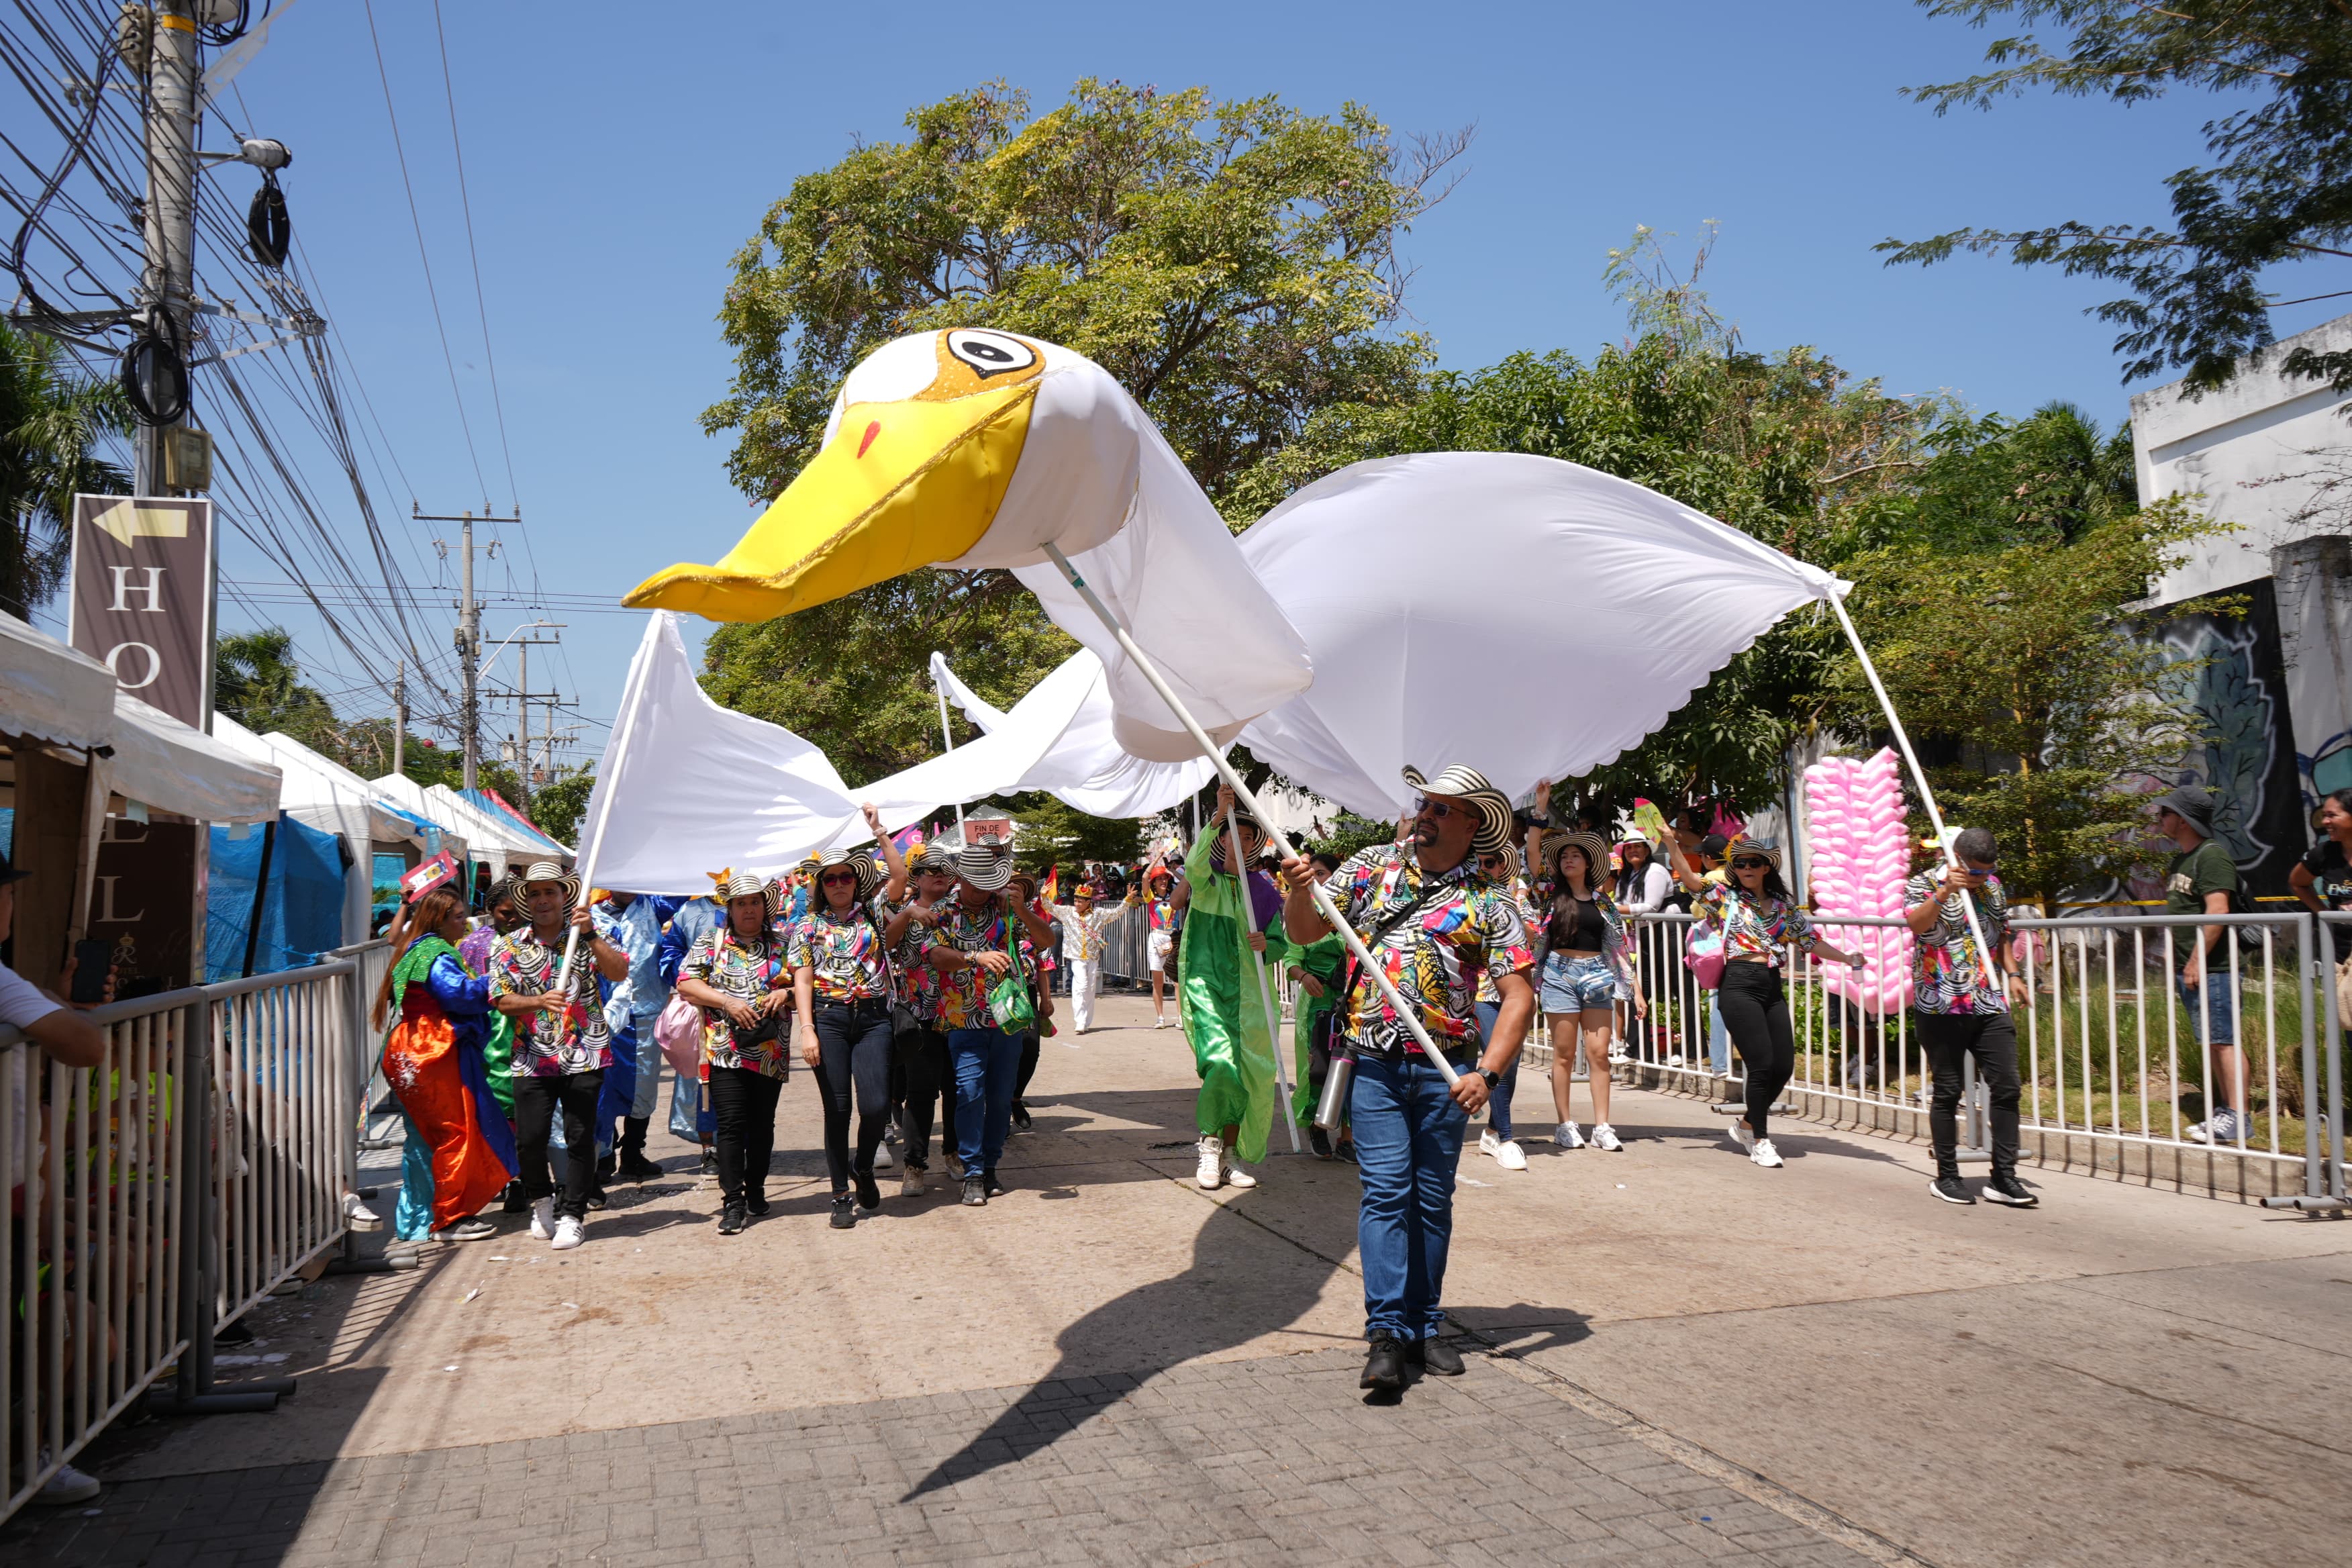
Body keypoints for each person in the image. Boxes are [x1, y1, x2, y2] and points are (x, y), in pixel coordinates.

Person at [1280, 765, 1534, 1392]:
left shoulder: (1490, 901)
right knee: (1387, 1194)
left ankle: (1424, 1323)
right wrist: (1296, 891)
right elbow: (1306, 931)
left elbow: (1518, 996)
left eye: (1444, 808)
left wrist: (1489, 1073)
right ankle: (1388, 1332)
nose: (1427, 813)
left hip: (1446, 1073)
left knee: (1431, 1201)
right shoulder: (1372, 866)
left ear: (1474, 823)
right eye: (1426, 802)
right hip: (1373, 1064)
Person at [0, 851, 113, 1507]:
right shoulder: (5, 983)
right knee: (51, 1327)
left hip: (22, 1193)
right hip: (12, 1198)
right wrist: (52, 1005)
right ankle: (33, 1461)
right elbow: (87, 1045)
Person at [1665, 834, 1866, 1169]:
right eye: (1740, 863)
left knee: (1783, 1066)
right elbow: (1690, 879)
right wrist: (1672, 845)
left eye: (1753, 863)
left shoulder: (1784, 908)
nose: (1746, 868)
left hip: (1771, 986)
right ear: (1733, 869)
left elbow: (1811, 941)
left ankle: (1745, 1124)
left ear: (1766, 867)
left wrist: (1847, 958)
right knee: (1760, 1065)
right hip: (1739, 985)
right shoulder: (1724, 898)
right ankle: (1760, 1139)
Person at [487, 861, 628, 1251]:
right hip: (532, 1056)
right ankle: (542, 1201)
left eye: (551, 892)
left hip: (585, 1051)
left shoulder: (586, 936)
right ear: (526, 901)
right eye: (535, 893)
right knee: (529, 1139)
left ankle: (573, 1214)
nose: (543, 900)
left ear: (565, 896)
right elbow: (500, 998)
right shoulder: (508, 943)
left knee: (580, 1137)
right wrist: (537, 1000)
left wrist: (591, 934)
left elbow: (617, 973)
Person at [376, 885, 518, 1243]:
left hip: (410, 1050)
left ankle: (417, 1221)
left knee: (423, 1140)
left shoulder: (413, 949)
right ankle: (450, 1217)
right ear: (440, 920)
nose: (465, 924)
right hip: (433, 1051)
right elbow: (460, 994)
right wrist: (500, 981)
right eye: (458, 918)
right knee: (454, 1133)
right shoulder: (436, 953)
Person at [1902, 828, 2036, 1206]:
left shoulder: (1993, 887)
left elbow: (2002, 935)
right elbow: (1916, 926)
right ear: (1957, 860)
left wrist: (2013, 975)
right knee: (1948, 1089)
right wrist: (1944, 893)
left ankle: (2004, 1177)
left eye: (1987, 871)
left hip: (1988, 999)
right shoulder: (1923, 883)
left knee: (2007, 1086)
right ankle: (1947, 1176)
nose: (1981, 878)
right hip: (1940, 1001)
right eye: (1974, 872)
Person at [924, 846, 1056, 1206]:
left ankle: (991, 1165)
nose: (982, 890)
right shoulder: (944, 911)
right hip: (962, 1019)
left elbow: (1047, 942)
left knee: (1000, 1099)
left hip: (1007, 1019)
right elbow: (935, 956)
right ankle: (973, 1171)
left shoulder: (1006, 909)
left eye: (988, 883)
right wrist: (974, 957)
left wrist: (1022, 910)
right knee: (968, 1094)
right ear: (962, 878)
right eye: (976, 882)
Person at [1179, 785, 1293, 1191]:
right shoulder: (1207, 882)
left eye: (1247, 837)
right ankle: (1209, 1145)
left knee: (1249, 1077)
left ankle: (1231, 1156)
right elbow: (1193, 867)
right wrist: (1217, 817)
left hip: (1252, 999)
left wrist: (1269, 945)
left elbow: (1283, 943)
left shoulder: (1262, 890)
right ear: (1221, 838)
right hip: (1208, 988)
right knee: (1222, 1067)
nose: (1240, 842)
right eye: (1232, 834)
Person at [790, 848, 906, 1228]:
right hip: (829, 1019)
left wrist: (879, 833)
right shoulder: (806, 926)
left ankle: (863, 1166)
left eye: (845, 877)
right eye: (830, 879)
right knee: (837, 1111)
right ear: (821, 886)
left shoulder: (872, 911)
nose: (839, 884)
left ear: (856, 880)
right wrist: (807, 1029)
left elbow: (901, 877)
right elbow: (802, 980)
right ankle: (840, 1194)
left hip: (874, 1018)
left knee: (875, 1107)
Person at [675, 872, 793, 1233]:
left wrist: (784, 994)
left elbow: (805, 984)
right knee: (731, 1125)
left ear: (765, 905)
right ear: (730, 907)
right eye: (741, 903)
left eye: (754, 902)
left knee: (762, 1125)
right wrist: (726, 1001)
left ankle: (756, 1189)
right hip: (726, 1049)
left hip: (771, 1049)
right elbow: (686, 982)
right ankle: (733, 1200)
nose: (748, 909)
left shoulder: (782, 945)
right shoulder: (712, 943)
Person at [1521, 795, 1638, 1153]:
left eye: (1576, 855)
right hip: (1558, 972)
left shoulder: (1602, 902)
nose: (1569, 859)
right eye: (1564, 855)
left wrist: (1636, 988)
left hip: (1598, 975)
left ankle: (1603, 1125)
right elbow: (1532, 854)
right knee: (1564, 1053)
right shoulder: (1548, 893)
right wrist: (1540, 810)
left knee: (1600, 1053)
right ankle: (1564, 1123)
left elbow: (1619, 947)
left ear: (1588, 863)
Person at [2155, 784, 2248, 1145]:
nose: (2160, 818)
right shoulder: (2181, 860)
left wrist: (2196, 961)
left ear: (2183, 820)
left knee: (2224, 1041)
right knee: (2212, 1041)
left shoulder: (2212, 856)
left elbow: (2218, 912)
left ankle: (2239, 1116)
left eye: (2165, 812)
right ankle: (2227, 1112)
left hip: (2215, 968)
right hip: (2192, 969)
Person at [592, 887, 675, 1185]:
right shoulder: (590, 914)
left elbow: (683, 886)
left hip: (645, 1012)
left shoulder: (654, 905)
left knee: (644, 1086)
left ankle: (632, 1153)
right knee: (602, 1088)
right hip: (599, 1017)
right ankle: (602, 1156)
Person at [657, 877, 728, 1175]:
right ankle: (709, 1150)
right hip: (697, 1009)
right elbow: (670, 950)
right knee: (701, 1080)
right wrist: (687, 979)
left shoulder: (749, 905)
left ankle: (738, 1144)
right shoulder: (688, 911)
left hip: (739, 1006)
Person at [1471, 843, 1532, 1171]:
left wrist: (1514, 914)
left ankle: (1493, 1130)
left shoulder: (1517, 901)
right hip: (1479, 992)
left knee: (1510, 1065)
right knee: (1498, 1066)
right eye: (1479, 862)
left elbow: (1533, 938)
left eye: (1491, 863)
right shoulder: (1467, 897)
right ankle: (1506, 1139)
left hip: (1514, 992)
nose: (1485, 867)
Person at [1285, 851, 1349, 1159]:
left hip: (1352, 1003)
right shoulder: (1304, 912)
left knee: (1355, 1068)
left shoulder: (1353, 911)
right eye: (1311, 873)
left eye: (1320, 873)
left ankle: (1348, 1138)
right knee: (1320, 1067)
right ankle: (1317, 1126)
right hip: (1318, 1006)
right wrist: (1304, 975)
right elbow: (1291, 957)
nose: (1314, 878)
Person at [1050, 881, 1134, 1034]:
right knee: (1080, 986)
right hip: (1076, 957)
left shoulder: (1098, 914)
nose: (1076, 904)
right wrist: (1044, 895)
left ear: (1088, 902)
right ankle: (1080, 1021)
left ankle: (1086, 1021)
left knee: (1089, 988)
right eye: (1076, 900)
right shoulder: (1068, 913)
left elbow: (1117, 913)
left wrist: (1127, 900)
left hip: (1093, 957)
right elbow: (1049, 907)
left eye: (1080, 901)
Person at [2290, 788, 2352, 914]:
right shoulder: (2324, 852)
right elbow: (2297, 884)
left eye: (2332, 815)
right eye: (2324, 816)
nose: (2324, 822)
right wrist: (2324, 913)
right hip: (2341, 933)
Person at [1142, 865, 1180, 1027]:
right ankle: (1160, 1017)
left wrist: (1173, 871)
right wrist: (1158, 857)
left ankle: (1180, 1016)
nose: (1163, 881)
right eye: (1159, 879)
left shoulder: (1175, 895)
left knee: (1178, 981)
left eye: (1165, 878)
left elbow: (1187, 881)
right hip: (1156, 937)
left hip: (1172, 938)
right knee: (1158, 982)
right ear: (1154, 883)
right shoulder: (1150, 896)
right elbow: (1144, 877)